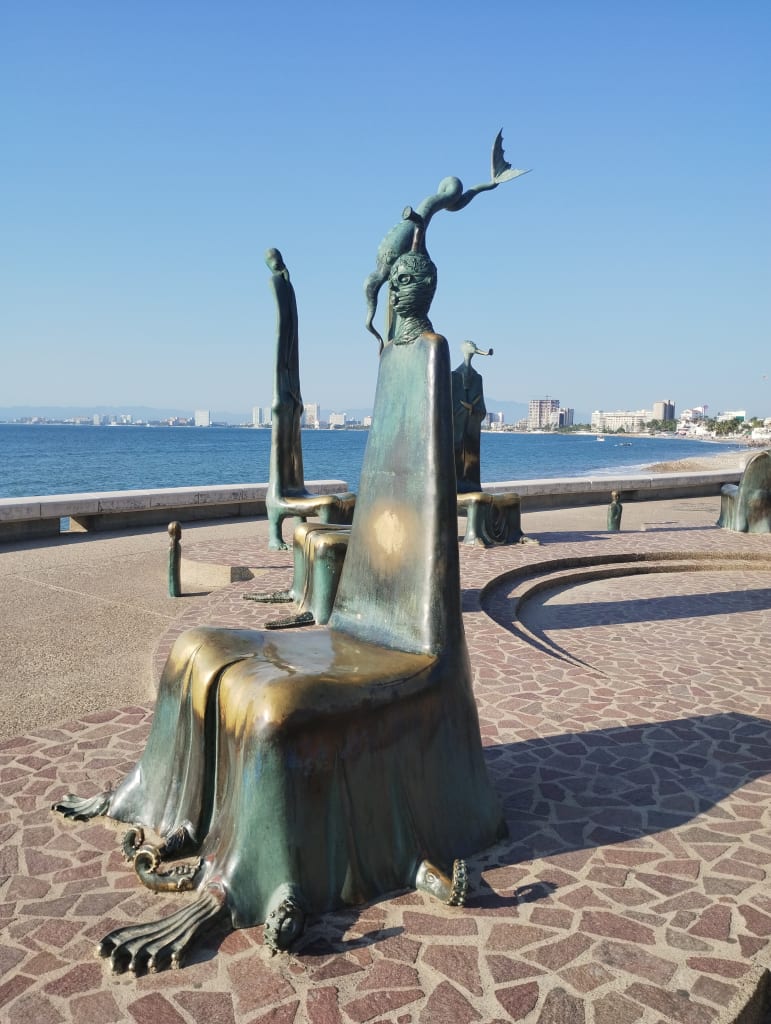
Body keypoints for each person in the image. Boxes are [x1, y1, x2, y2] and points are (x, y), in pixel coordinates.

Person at [451, 341, 493, 492]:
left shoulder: (477, 378)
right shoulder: (453, 376)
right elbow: (450, 403)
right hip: (457, 425)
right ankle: (455, 483)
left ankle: (471, 483)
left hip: (471, 427)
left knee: (471, 454)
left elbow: (480, 405)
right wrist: (461, 411)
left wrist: (474, 410)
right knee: (455, 451)